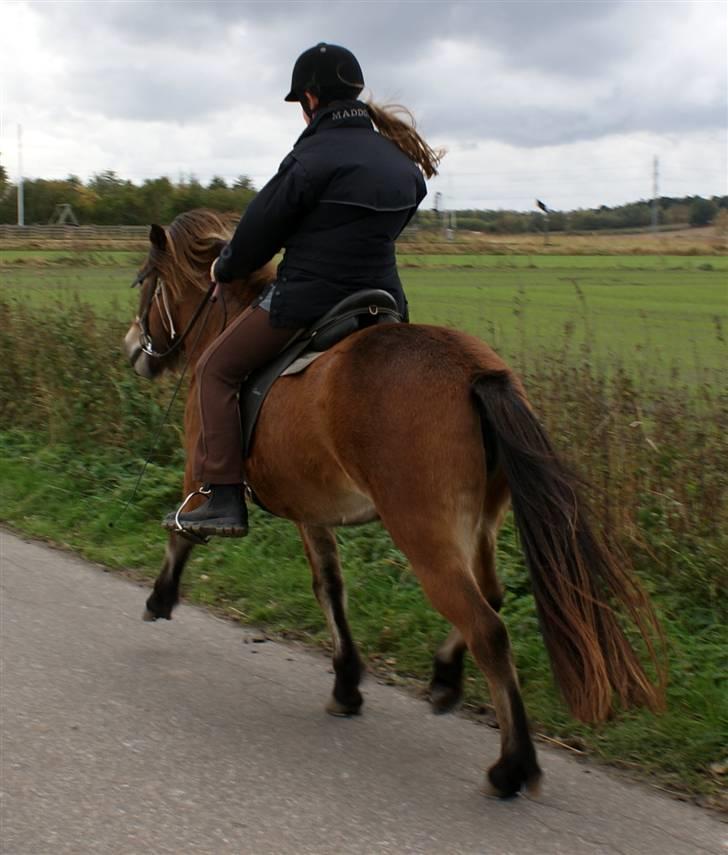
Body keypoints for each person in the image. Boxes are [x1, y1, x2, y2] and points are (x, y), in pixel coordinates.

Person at [166, 42, 442, 537]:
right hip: (384, 304)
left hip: (309, 302)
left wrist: (226, 268)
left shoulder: (311, 158)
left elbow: (255, 235)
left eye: (300, 104)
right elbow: (393, 217)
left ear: (311, 99)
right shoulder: (401, 163)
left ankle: (223, 496)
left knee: (214, 368)